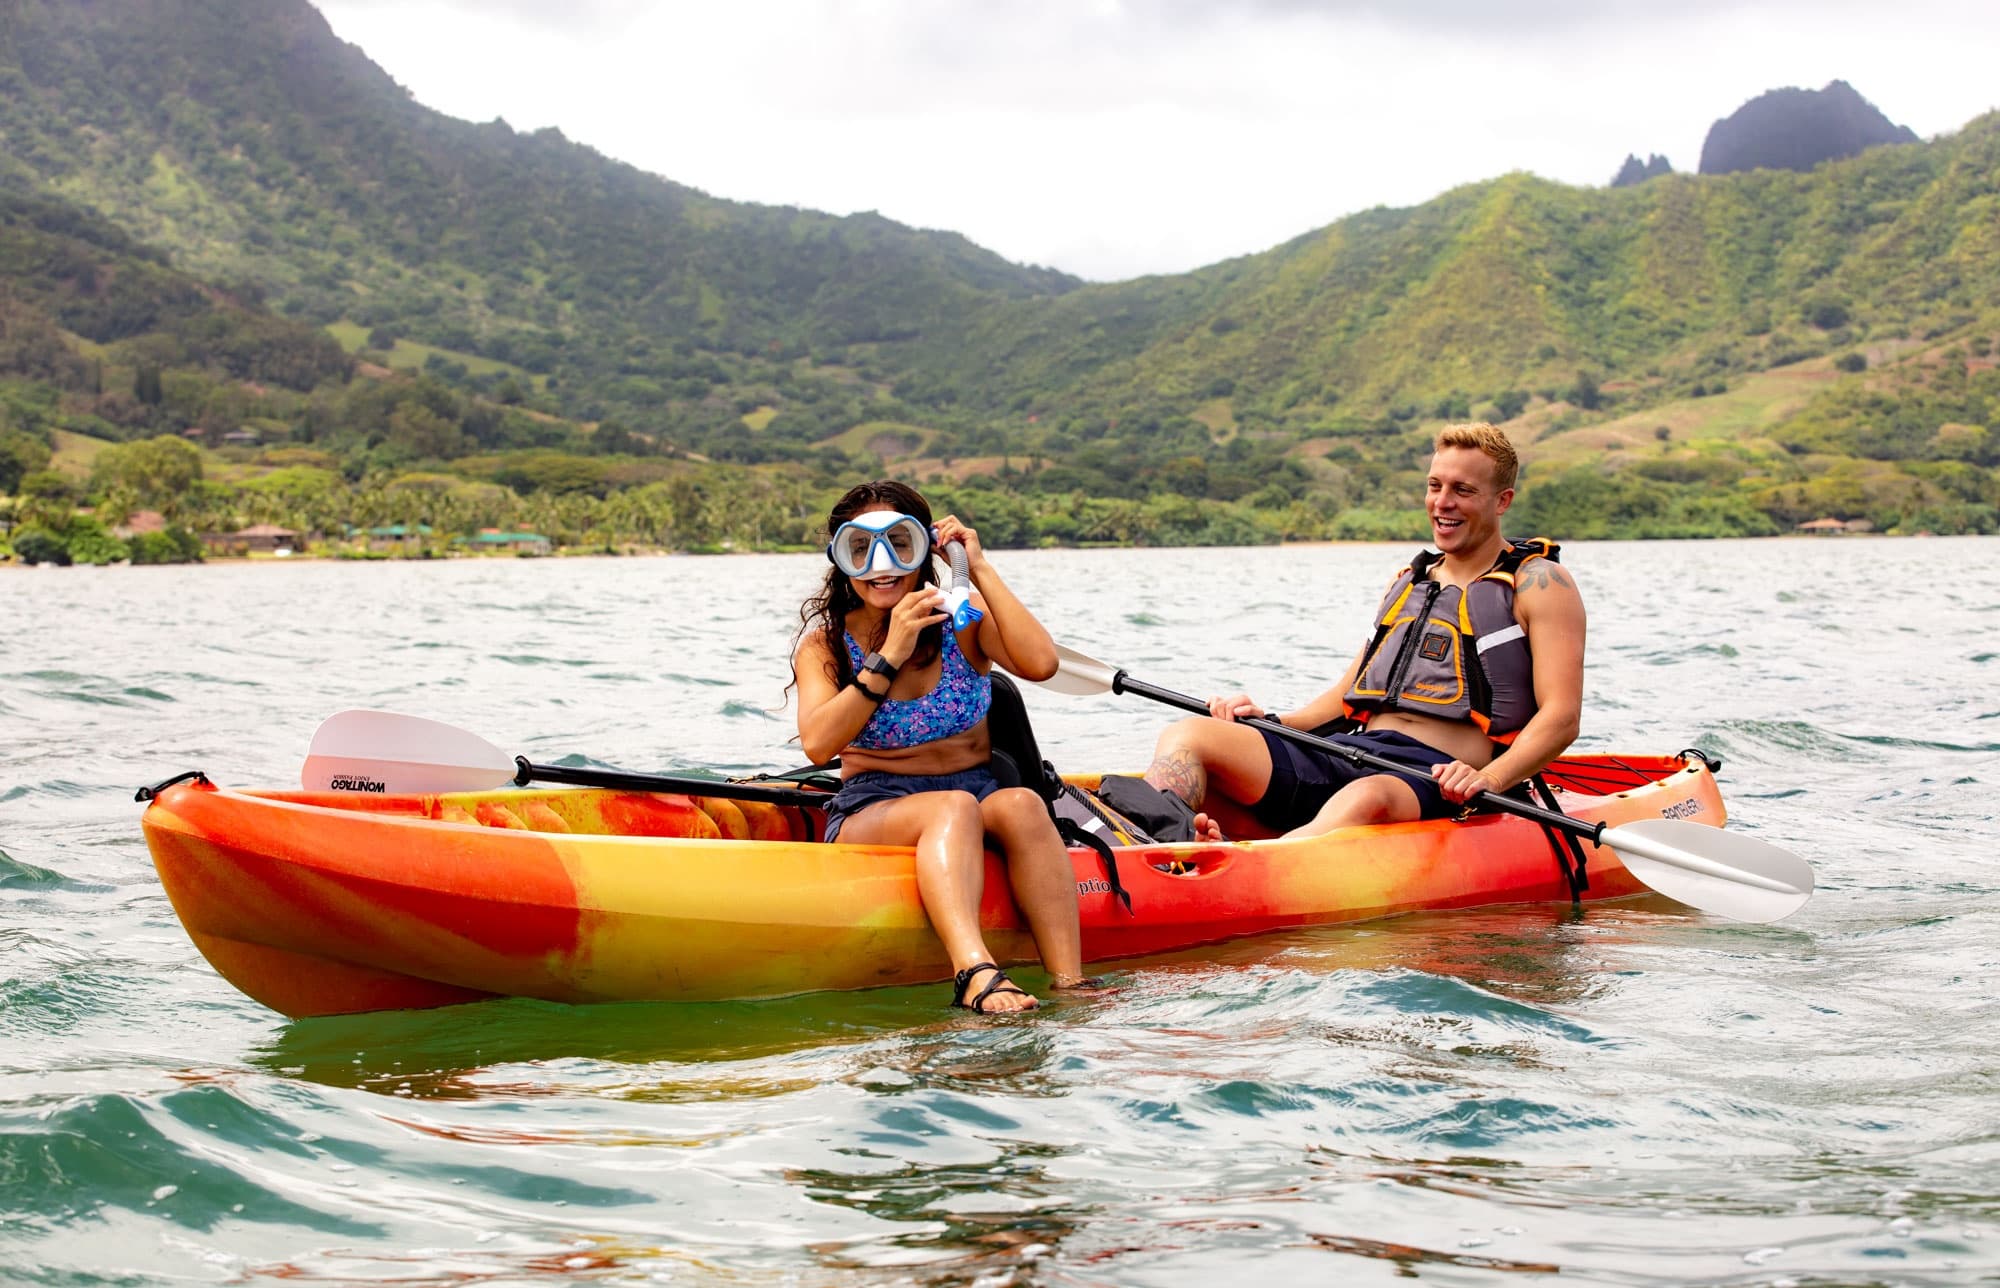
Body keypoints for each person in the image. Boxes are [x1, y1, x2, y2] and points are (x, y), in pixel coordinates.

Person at [1140, 422, 1586, 839]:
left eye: (1463, 490)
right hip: (1349, 753)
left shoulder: (1540, 584)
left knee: (1364, 798)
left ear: (1502, 501)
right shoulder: (1409, 582)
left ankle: (1248, 871)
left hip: (1436, 775)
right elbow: (1350, 692)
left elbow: (1561, 717)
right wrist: (1271, 722)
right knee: (1189, 735)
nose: (1442, 502)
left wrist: (1488, 778)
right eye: (1435, 486)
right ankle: (1156, 850)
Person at [792, 480, 1097, 1013]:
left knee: (1023, 803)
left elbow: (1041, 664)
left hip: (976, 788)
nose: (881, 564)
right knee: (953, 809)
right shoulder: (825, 643)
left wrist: (975, 567)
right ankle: (975, 974)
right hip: (873, 804)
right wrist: (888, 654)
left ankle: (1071, 983)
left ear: (924, 549)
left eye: (899, 543)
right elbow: (818, 745)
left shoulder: (961, 619)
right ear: (841, 558)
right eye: (861, 549)